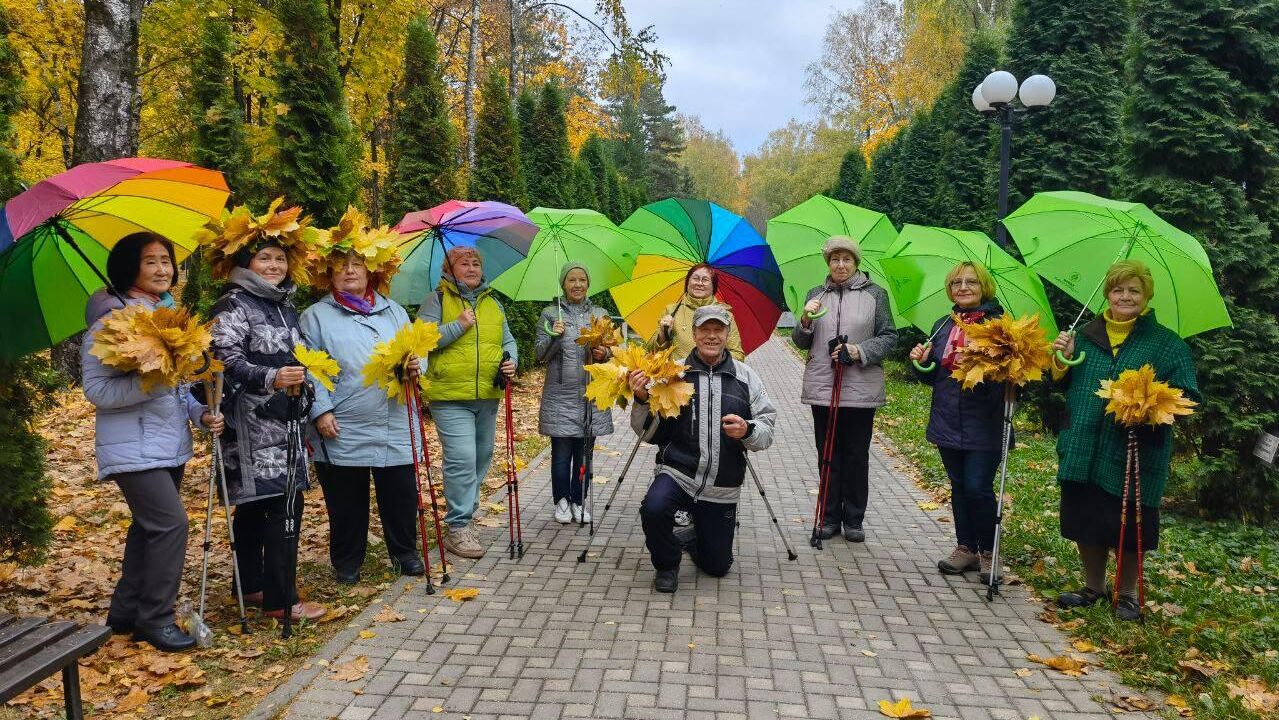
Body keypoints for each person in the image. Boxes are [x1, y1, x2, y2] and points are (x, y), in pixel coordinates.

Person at [82, 232, 222, 652]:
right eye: (150, 262)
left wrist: (201, 415)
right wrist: (151, 381)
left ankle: (124, 613)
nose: (163, 269)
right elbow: (97, 392)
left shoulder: (168, 318)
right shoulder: (111, 323)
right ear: (130, 268)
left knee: (148, 528)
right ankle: (155, 618)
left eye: (166, 260)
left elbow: (177, 391)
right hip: (131, 445)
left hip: (167, 442)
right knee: (170, 525)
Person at [1050, 260, 1199, 622]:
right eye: (1118, 289)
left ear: (1146, 294)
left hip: (1135, 449)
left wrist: (1148, 405)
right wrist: (1061, 360)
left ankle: (1128, 594)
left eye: (1134, 290)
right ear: (1108, 293)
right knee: (1086, 514)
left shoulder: (1166, 344)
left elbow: (1187, 395)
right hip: (1083, 441)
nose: (1125, 296)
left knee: (1130, 519)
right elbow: (1059, 383)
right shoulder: (1083, 335)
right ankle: (1093, 586)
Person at [210, 237, 326, 622]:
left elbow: (300, 356)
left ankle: (252, 586)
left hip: (285, 419)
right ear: (247, 263)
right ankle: (281, 598)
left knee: (262, 507)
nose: (274, 265)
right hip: (249, 428)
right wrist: (271, 376)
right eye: (264, 258)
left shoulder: (285, 307)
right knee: (277, 506)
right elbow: (223, 360)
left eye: (280, 258)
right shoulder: (233, 305)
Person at [632, 305, 777, 593]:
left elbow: (767, 428)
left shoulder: (745, 377)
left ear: (727, 333)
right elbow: (647, 433)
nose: (711, 336)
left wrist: (747, 430)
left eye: (718, 330)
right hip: (678, 472)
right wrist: (640, 399)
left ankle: (694, 536)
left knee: (717, 567)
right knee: (653, 508)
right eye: (705, 330)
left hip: (721, 485)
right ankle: (667, 563)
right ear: (694, 333)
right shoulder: (673, 374)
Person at [300, 252, 424, 584]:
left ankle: (405, 554)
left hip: (395, 420)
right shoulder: (315, 317)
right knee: (346, 501)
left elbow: (416, 353)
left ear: (371, 272)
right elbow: (310, 370)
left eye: (357, 264)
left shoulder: (394, 310)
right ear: (329, 275)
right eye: (341, 266)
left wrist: (416, 367)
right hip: (344, 422)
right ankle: (347, 563)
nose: (349, 271)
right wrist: (320, 410)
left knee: (400, 495)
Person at [908, 261, 1008, 582]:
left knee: (978, 487)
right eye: (956, 283)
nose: (963, 288)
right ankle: (965, 548)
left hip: (986, 421)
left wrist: (988, 367)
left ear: (984, 287)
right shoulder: (943, 325)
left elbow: (1016, 377)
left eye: (971, 282)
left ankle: (990, 552)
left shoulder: (1001, 326)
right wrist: (921, 363)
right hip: (948, 418)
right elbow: (931, 377)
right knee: (959, 486)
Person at [792, 236, 896, 543]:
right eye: (835, 259)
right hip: (823, 387)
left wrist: (858, 350)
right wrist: (805, 321)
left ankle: (853, 519)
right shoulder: (816, 294)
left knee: (855, 455)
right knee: (827, 454)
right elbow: (800, 341)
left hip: (860, 389)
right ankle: (828, 517)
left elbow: (889, 337)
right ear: (828, 263)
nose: (840, 264)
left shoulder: (876, 294)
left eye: (846, 259)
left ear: (856, 263)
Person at [418, 246, 517, 559]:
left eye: (476, 262)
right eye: (464, 263)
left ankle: (466, 514)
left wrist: (511, 360)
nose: (472, 267)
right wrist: (458, 324)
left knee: (481, 457)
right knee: (461, 457)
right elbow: (423, 339)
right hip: (450, 395)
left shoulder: (492, 302)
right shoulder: (436, 300)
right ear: (449, 270)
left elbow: (508, 340)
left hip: (487, 394)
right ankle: (458, 525)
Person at [534, 262, 614, 524]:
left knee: (584, 456)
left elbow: (611, 353)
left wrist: (605, 354)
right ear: (563, 284)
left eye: (582, 279)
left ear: (588, 283)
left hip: (591, 396)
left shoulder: (600, 315)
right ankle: (562, 502)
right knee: (561, 455)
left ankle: (579, 500)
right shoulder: (550, 314)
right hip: (560, 397)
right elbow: (539, 355)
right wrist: (554, 336)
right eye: (571, 280)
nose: (577, 284)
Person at [652, 263, 745, 362]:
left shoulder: (725, 315)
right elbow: (653, 353)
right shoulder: (671, 311)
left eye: (705, 280)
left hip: (712, 375)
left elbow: (738, 355)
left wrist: (714, 362)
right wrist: (663, 334)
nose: (699, 283)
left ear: (713, 286)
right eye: (695, 278)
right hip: (678, 375)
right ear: (688, 283)